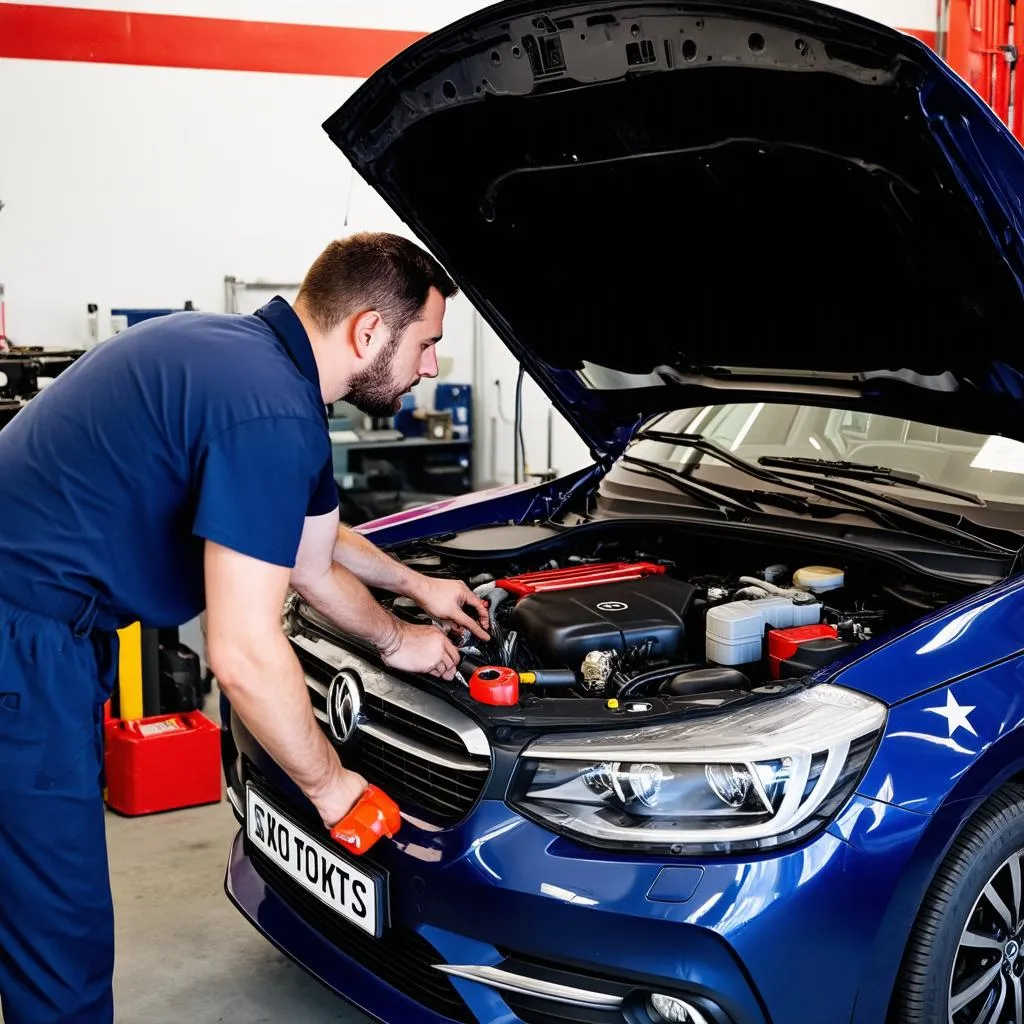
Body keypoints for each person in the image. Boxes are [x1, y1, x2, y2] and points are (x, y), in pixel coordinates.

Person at [0, 231, 490, 1024]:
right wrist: (333, 790)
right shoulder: (268, 412)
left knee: (28, 894)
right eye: (427, 343)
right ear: (368, 332)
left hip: (36, 625)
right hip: (20, 641)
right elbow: (242, 653)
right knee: (60, 932)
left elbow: (310, 549)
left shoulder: (250, 363)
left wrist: (413, 601)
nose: (432, 366)